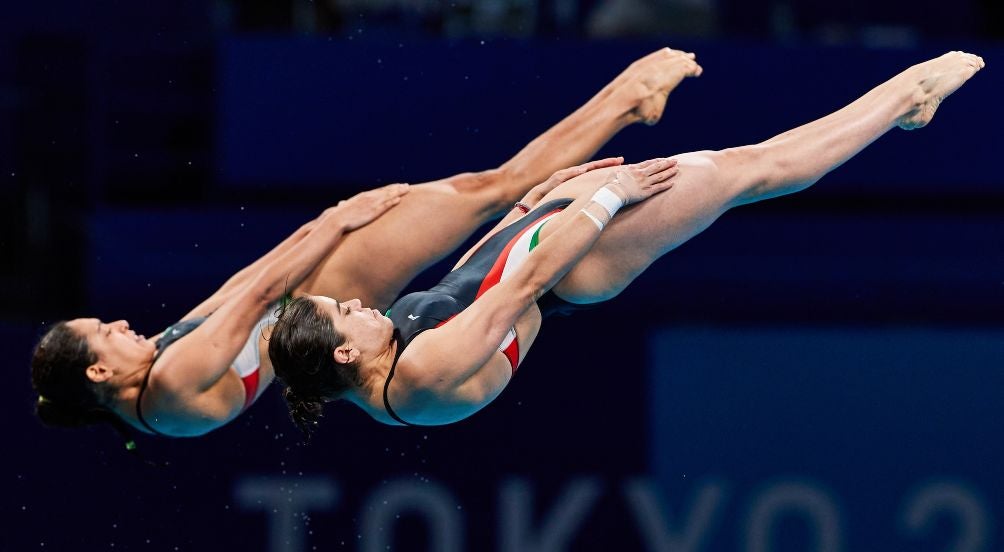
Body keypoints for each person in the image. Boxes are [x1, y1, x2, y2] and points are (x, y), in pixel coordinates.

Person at [268, 51, 985, 433]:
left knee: (735, 169)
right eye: (346, 311)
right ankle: (906, 99)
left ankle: (624, 105)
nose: (362, 302)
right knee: (747, 170)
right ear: (344, 352)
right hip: (574, 266)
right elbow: (513, 290)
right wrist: (607, 200)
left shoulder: (394, 342)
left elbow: (466, 278)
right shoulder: (417, 383)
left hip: (539, 240)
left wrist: (533, 201)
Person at [30, 48, 703, 440]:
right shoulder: (170, 388)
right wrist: (335, 219)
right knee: (492, 191)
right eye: (105, 331)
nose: (120, 323)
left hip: (310, 295)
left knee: (490, 189)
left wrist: (323, 227)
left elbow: (238, 286)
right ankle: (626, 99)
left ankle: (624, 102)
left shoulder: (157, 369)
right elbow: (265, 294)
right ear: (98, 373)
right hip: (324, 298)